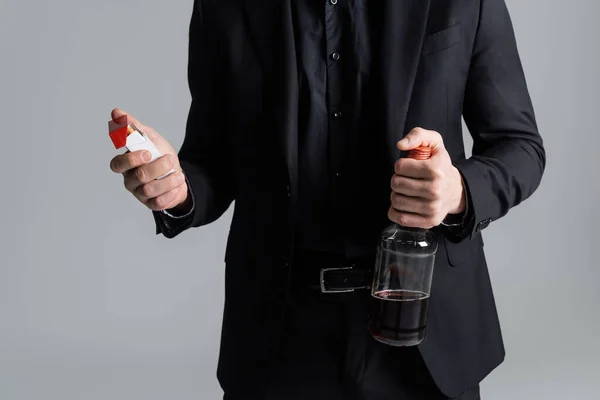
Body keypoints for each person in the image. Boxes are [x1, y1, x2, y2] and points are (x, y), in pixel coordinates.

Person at [109, 0, 546, 399]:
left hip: (425, 326)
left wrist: (457, 192)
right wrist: (177, 189)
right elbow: (213, 160)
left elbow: (520, 146)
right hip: (280, 332)